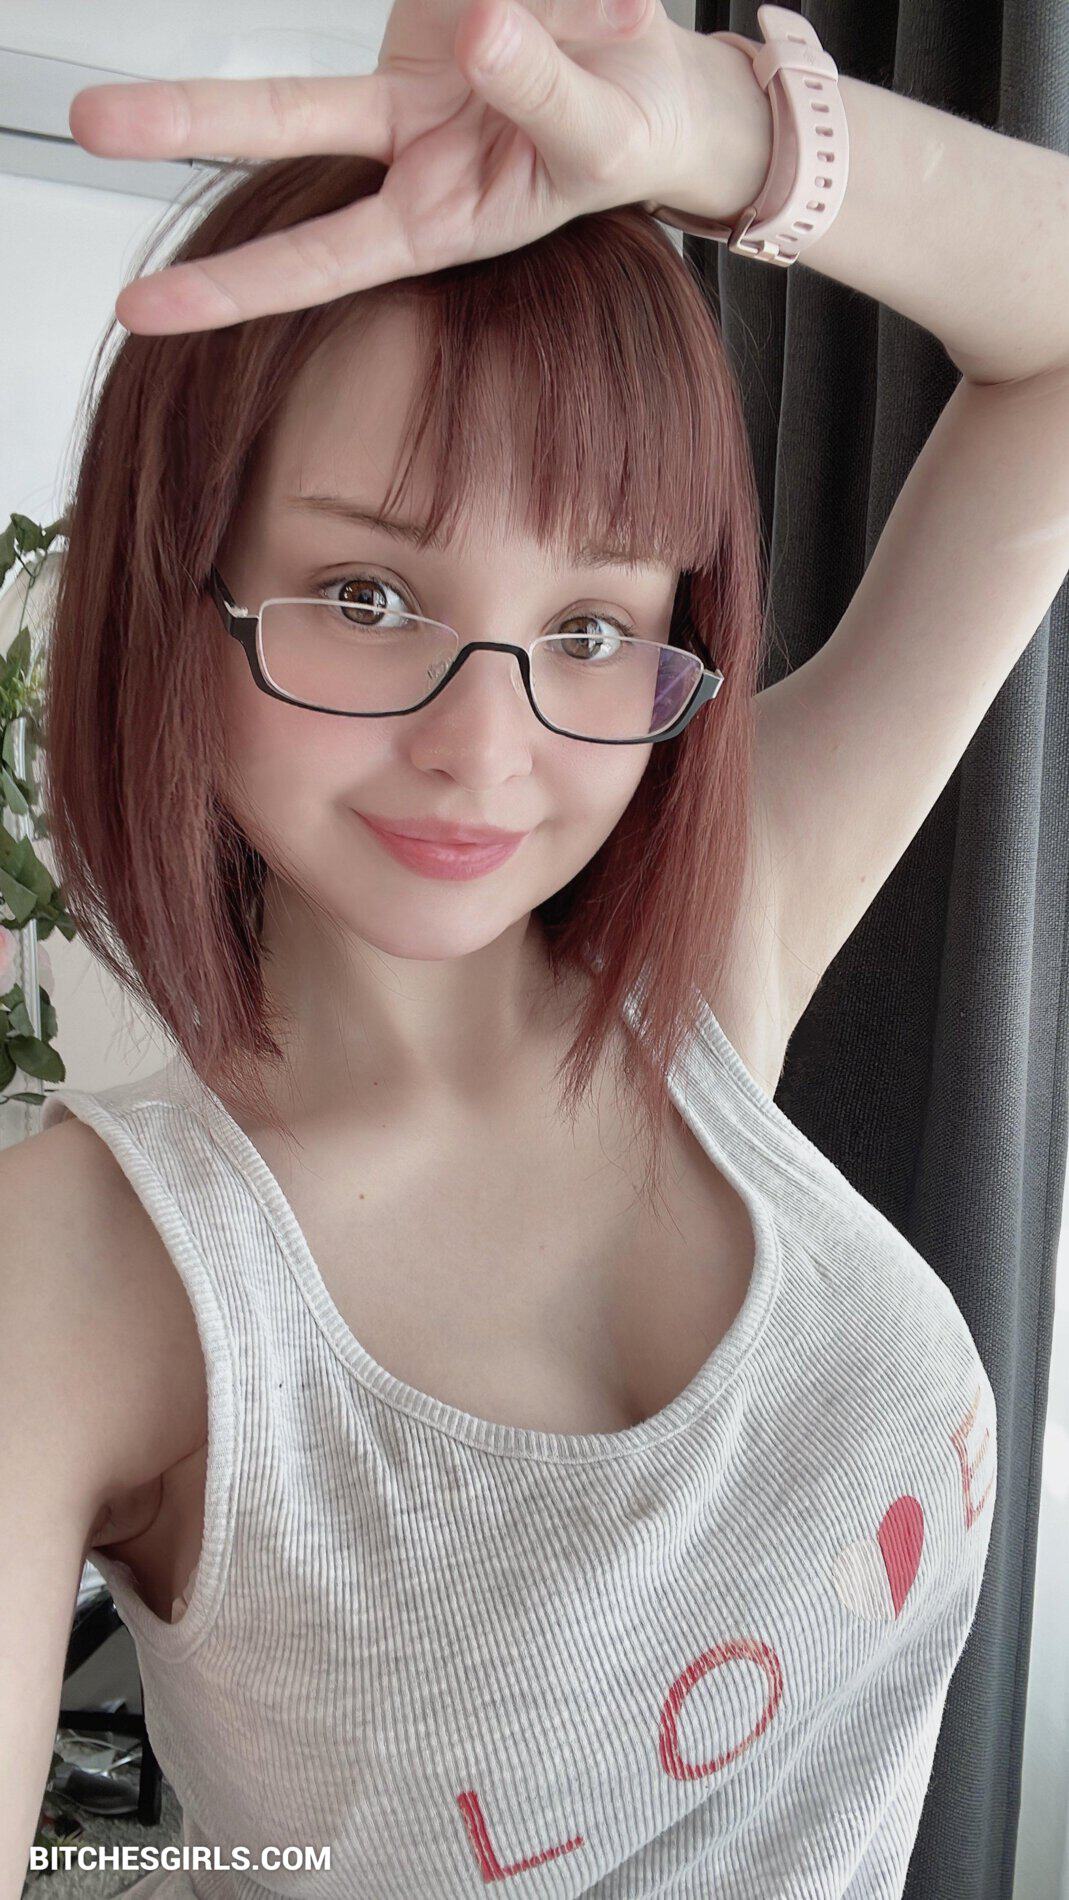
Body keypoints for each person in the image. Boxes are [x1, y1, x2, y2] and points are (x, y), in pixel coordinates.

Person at [5, 0, 1069, 1889]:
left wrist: (717, 132)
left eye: (587, 629)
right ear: (179, 599)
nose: (484, 749)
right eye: (364, 594)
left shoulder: (703, 956)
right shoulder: (85, 1278)